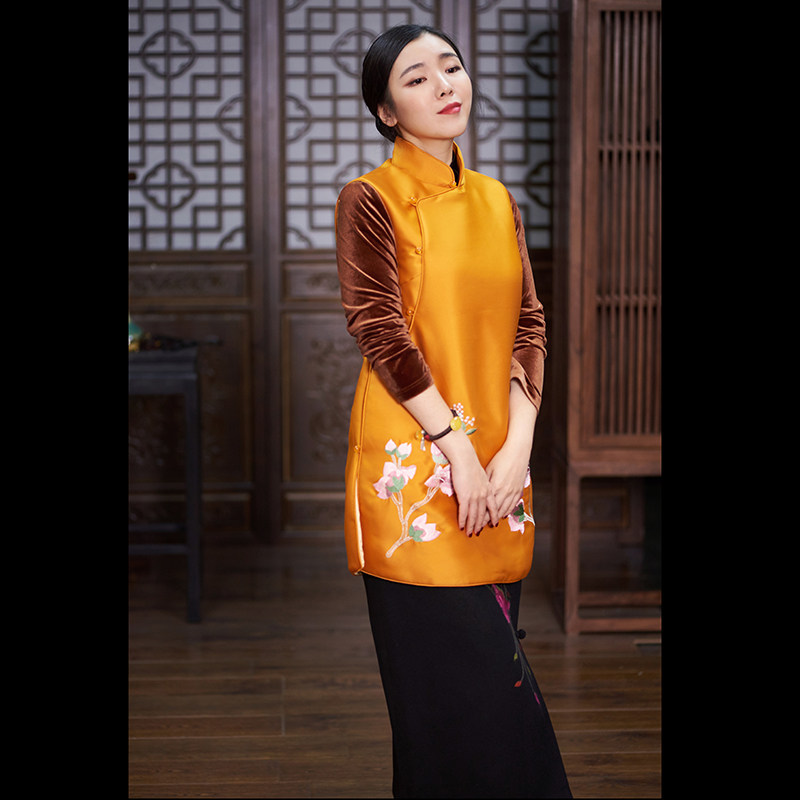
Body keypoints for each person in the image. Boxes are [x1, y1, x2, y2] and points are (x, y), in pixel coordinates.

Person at [335, 24, 572, 799]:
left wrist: (519, 444)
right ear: (386, 111)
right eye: (416, 78)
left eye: (452, 67)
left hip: (499, 462)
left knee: (492, 679)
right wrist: (458, 452)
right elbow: (381, 332)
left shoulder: (497, 199)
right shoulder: (372, 199)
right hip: (417, 467)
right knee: (447, 693)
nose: (445, 84)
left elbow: (529, 324)